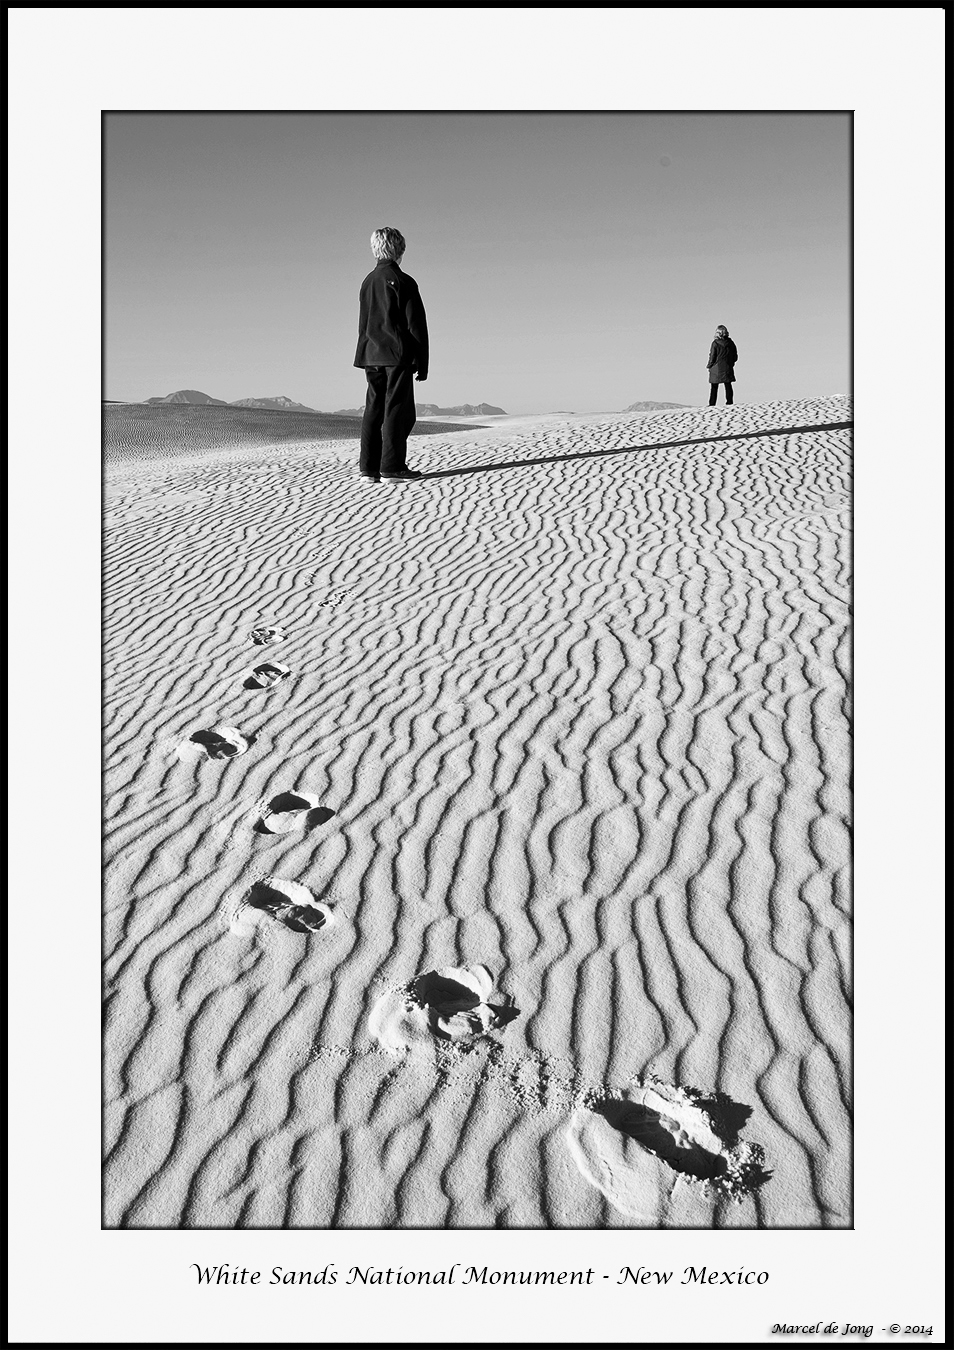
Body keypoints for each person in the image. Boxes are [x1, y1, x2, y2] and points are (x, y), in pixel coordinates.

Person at [353, 227, 429, 482]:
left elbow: (364, 321)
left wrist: (363, 351)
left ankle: (368, 468)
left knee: (373, 409)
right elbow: (416, 325)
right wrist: (423, 362)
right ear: (399, 249)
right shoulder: (404, 281)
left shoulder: (367, 281)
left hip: (370, 354)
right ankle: (392, 467)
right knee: (398, 410)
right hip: (396, 355)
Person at [706, 325, 738, 406]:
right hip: (727, 367)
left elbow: (712, 356)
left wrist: (709, 365)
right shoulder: (730, 343)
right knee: (728, 385)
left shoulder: (715, 343)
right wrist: (731, 363)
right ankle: (729, 402)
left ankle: (712, 404)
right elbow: (735, 356)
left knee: (714, 387)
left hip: (716, 368)